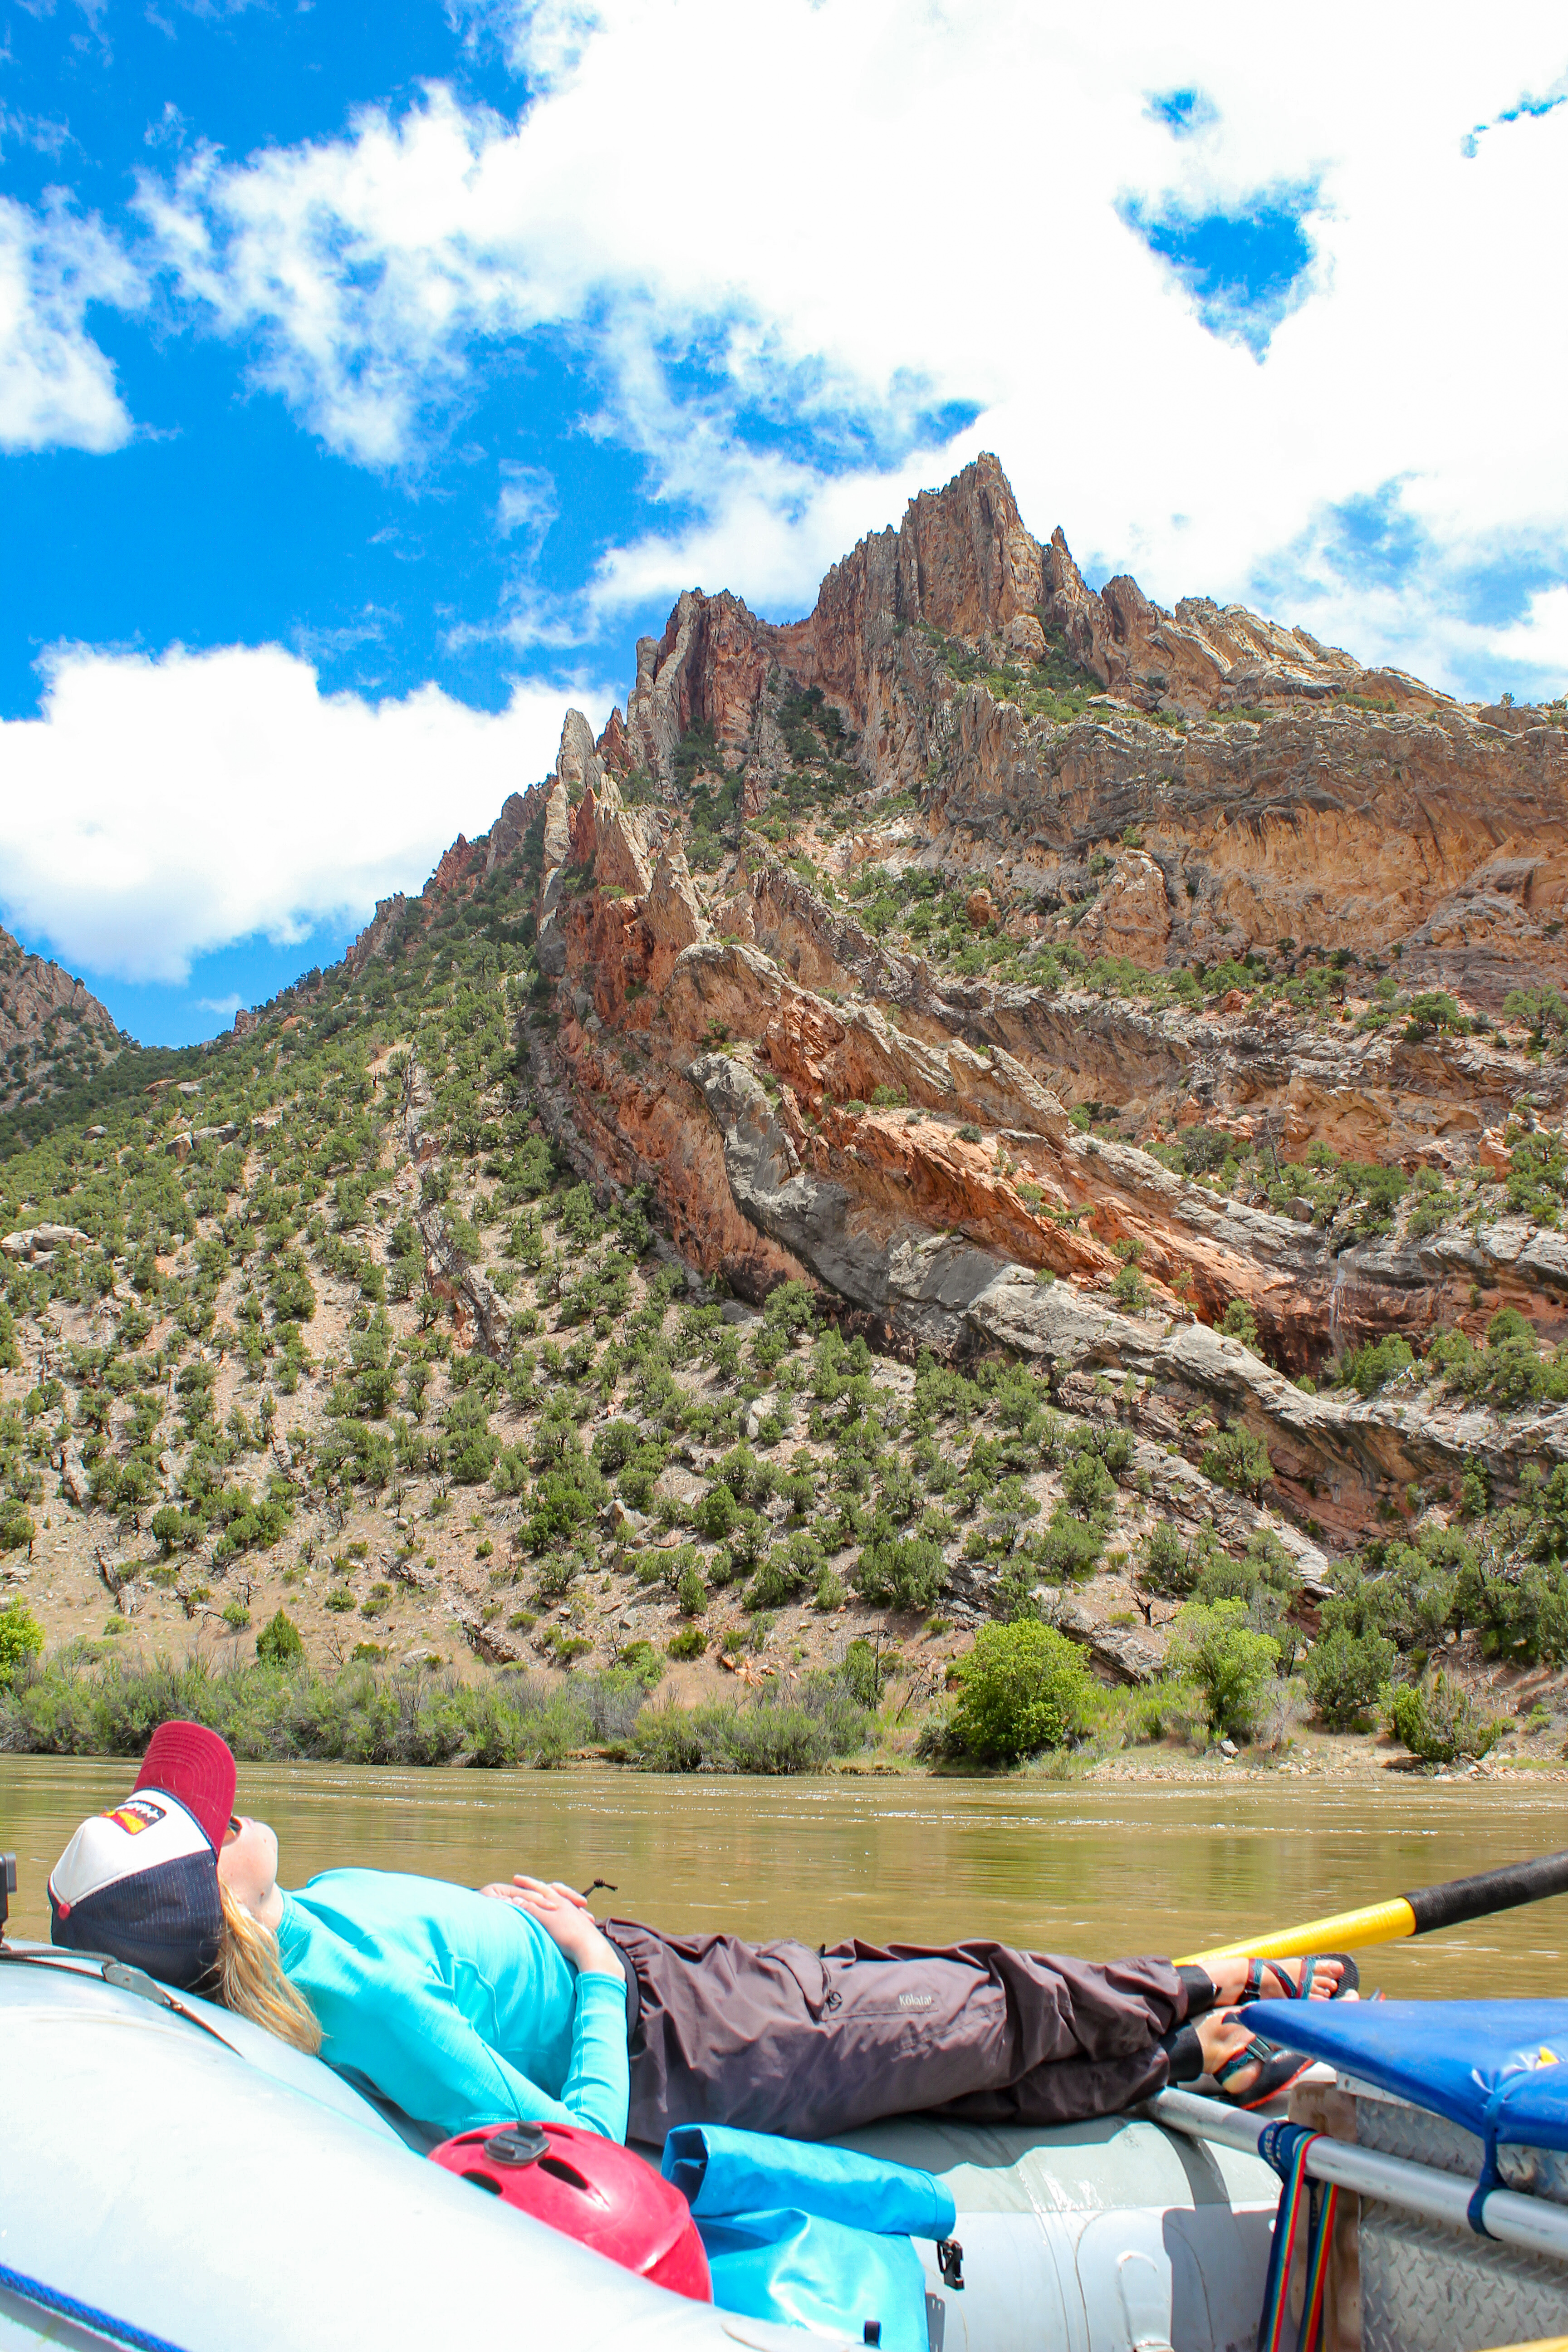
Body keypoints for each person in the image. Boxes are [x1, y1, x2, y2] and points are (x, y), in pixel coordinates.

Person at [49, 1721, 1351, 2147]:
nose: (239, 1818)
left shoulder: (288, 1944)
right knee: (967, 2011)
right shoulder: (354, 2003)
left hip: (661, 1978)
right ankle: (1198, 1993)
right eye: (217, 1829)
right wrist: (590, 1971)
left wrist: (521, 1939)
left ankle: (1178, 2056)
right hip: (666, 2037)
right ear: (225, 1896)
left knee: (912, 1998)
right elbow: (569, 2142)